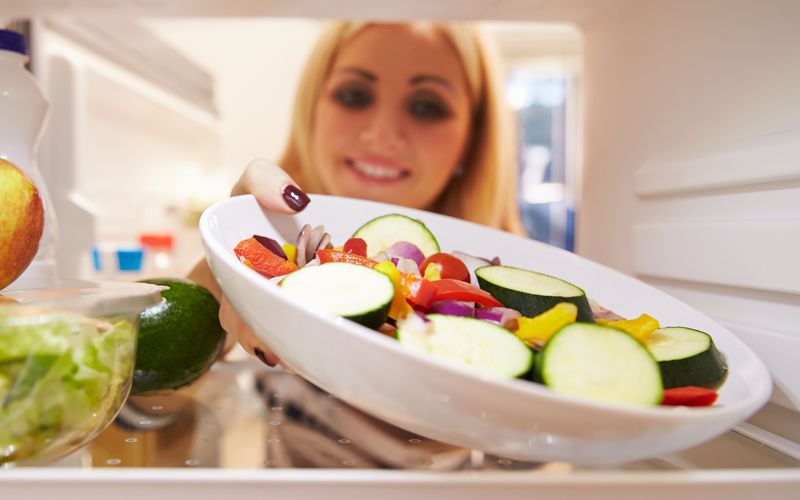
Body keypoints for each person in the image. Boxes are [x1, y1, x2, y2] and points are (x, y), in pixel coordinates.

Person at [189, 21, 524, 365]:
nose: (381, 135)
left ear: (473, 137)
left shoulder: (518, 304)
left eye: (426, 107)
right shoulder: (268, 258)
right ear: (312, 111)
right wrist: (220, 267)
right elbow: (143, 393)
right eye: (354, 96)